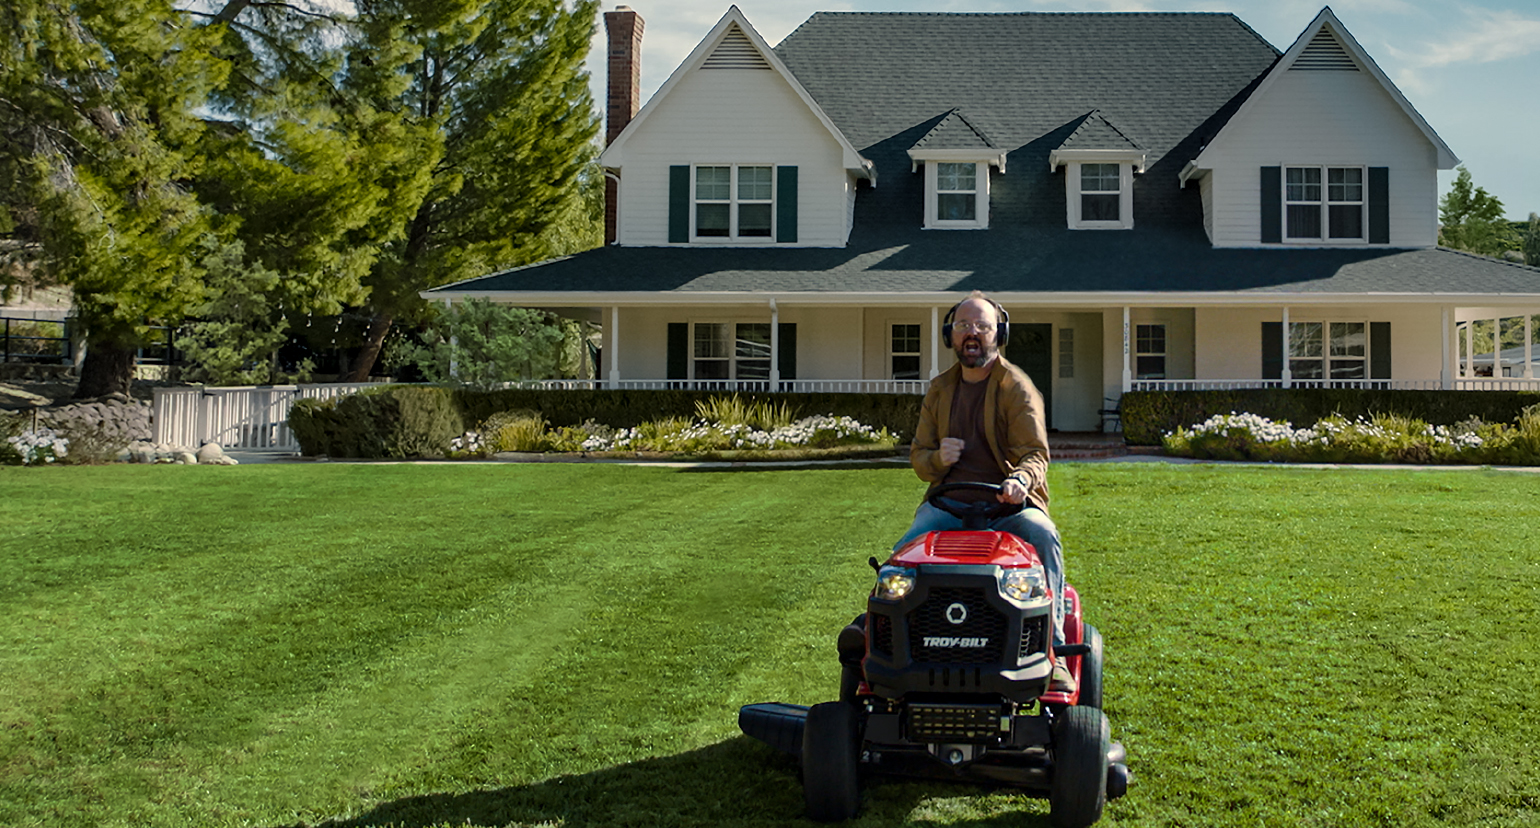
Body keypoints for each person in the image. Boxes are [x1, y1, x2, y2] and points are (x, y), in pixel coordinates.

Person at [893, 290, 1074, 693]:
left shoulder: (1017, 387)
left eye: (981, 326)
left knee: (1043, 536)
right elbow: (919, 457)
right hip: (949, 504)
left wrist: (1020, 481)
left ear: (999, 333)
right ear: (949, 335)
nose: (971, 333)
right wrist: (939, 458)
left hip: (1004, 506)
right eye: (962, 326)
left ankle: (1054, 651)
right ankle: (887, 642)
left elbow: (1035, 455)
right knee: (899, 558)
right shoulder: (939, 390)